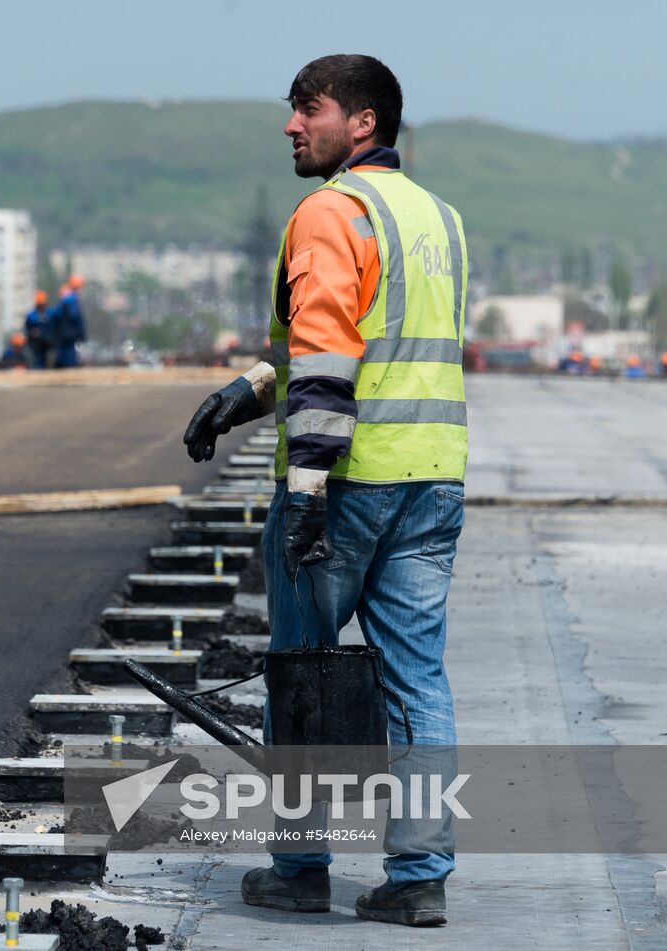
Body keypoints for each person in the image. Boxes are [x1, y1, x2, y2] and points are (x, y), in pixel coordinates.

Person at [181, 54, 469, 928]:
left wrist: (305, 487)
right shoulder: (438, 218)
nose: (291, 125)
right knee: (417, 677)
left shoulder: (329, 212)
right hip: (432, 481)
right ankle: (419, 876)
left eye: (309, 109)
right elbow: (351, 349)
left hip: (344, 488)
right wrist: (245, 394)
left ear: (363, 123)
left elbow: (333, 363)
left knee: (301, 671)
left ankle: (302, 867)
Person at [48, 274, 86, 369]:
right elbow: (75, 317)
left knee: (63, 356)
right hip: (69, 334)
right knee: (69, 358)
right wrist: (81, 332)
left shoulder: (64, 301)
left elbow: (55, 317)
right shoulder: (72, 299)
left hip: (62, 334)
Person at [24, 290, 50, 369]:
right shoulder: (31, 315)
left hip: (46, 343)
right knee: (36, 362)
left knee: (45, 362)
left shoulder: (48, 314)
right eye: (40, 305)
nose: (42, 307)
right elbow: (28, 328)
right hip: (35, 344)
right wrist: (33, 332)